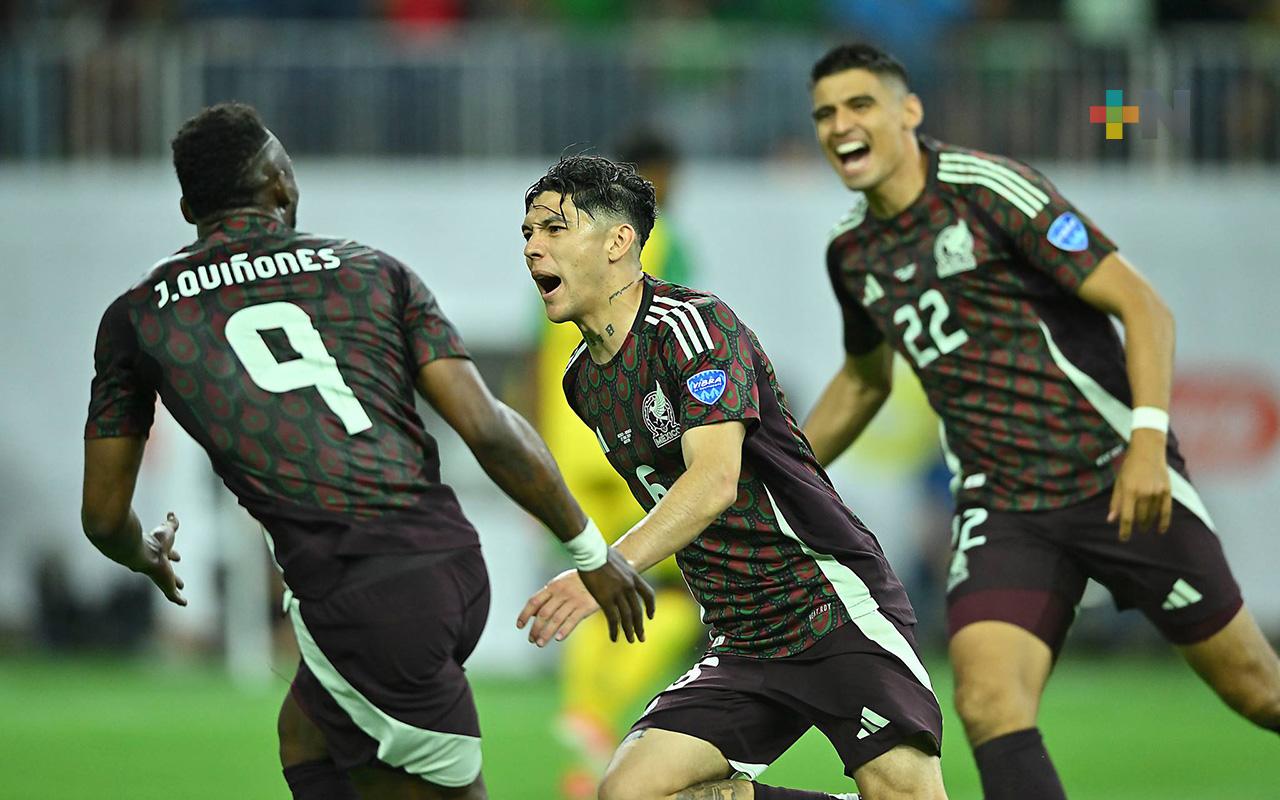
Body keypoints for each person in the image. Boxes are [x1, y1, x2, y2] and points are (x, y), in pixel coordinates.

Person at [79, 102, 654, 800]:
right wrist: (592, 551)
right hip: (443, 562)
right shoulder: (371, 271)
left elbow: (103, 515)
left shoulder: (139, 316)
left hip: (365, 600)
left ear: (187, 208)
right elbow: (488, 427)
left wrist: (144, 554)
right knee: (306, 736)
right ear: (281, 186)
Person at [802, 42, 1280, 800]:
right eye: (825, 113)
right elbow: (864, 382)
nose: (840, 125)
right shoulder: (851, 251)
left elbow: (1143, 307)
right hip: (1006, 508)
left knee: (1258, 691)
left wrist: (1147, 443)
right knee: (988, 701)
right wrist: (770, 474)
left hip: (1115, 476)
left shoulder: (988, 190)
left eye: (860, 104)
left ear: (909, 111)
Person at [515, 154, 948, 800]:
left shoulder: (694, 327)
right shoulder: (583, 380)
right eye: (528, 232)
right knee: (627, 793)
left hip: (827, 604)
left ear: (618, 241)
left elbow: (715, 481)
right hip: (742, 636)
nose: (532, 247)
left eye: (555, 229)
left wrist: (606, 567)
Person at [534, 133, 705, 799]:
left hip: (573, 439)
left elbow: (537, 347)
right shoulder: (664, 242)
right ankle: (609, 711)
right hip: (641, 437)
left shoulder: (563, 253)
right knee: (673, 592)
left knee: (595, 575)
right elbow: (683, 334)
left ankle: (586, 714)